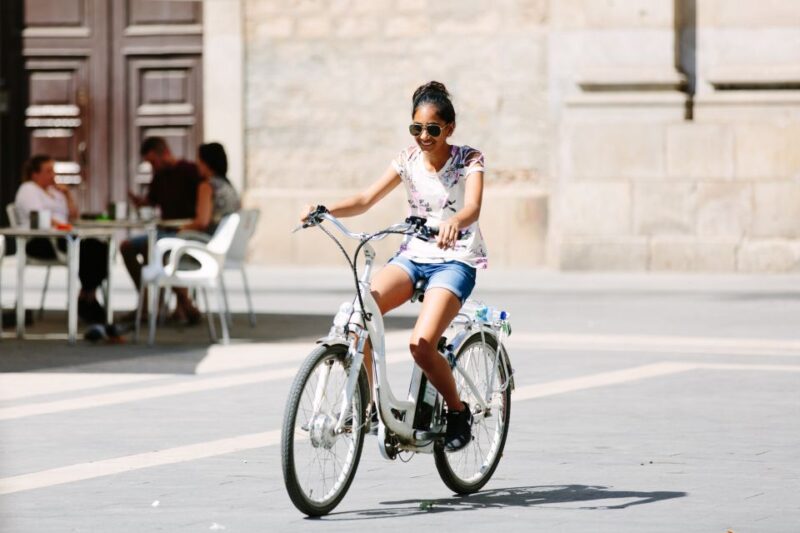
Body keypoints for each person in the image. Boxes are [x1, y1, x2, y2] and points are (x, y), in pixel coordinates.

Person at [300, 81, 486, 452]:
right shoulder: (406, 160)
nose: (424, 136)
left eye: (432, 129)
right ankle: (368, 405)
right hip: (413, 255)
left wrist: (455, 222)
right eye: (416, 128)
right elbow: (366, 198)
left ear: (449, 128)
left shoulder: (469, 159)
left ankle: (457, 411)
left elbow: (473, 208)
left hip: (455, 259)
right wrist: (325, 209)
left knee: (421, 345)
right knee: (361, 313)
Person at [14, 154, 109, 323]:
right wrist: (64, 228)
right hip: (41, 241)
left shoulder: (54, 192)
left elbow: (73, 216)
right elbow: (40, 217)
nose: (53, 175)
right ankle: (88, 300)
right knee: (89, 250)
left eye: (53, 170)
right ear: (34, 174)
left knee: (100, 247)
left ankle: (87, 294)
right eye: (48, 171)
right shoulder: (28, 189)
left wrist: (67, 195)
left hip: (64, 237)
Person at [169, 142, 241, 324]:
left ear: (207, 163)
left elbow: (202, 221)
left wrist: (181, 228)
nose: (197, 165)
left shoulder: (207, 186)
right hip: (223, 247)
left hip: (205, 248)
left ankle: (186, 306)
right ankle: (182, 308)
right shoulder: (229, 186)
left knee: (165, 255)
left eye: (199, 161)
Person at [120, 137, 201, 295]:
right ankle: (146, 298)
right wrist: (138, 202)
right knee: (128, 246)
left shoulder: (189, 171)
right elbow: (151, 201)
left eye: (153, 161)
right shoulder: (159, 176)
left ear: (164, 153)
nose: (152, 167)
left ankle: (181, 304)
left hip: (185, 232)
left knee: (149, 247)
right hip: (164, 230)